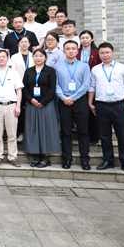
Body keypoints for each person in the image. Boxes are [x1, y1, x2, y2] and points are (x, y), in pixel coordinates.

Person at [88, 42, 124, 174]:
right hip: (101, 105)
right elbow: (92, 87)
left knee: (122, 136)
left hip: (118, 106)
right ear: (99, 54)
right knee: (105, 136)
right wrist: (90, 103)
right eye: (102, 53)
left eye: (107, 52)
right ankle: (108, 160)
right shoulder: (95, 69)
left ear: (113, 53)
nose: (105, 55)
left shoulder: (123, 68)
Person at [22, 49, 61, 168]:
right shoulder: (29, 71)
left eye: (41, 56)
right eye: (36, 56)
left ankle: (46, 157)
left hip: (46, 104)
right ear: (33, 57)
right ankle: (36, 156)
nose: (38, 58)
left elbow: (52, 89)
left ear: (45, 57)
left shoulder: (50, 71)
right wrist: (31, 99)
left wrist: (43, 102)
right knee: (33, 129)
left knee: (46, 129)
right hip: (32, 104)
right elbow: (24, 88)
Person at [56, 40, 91, 170]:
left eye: (73, 48)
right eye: (68, 49)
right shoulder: (57, 67)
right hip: (64, 101)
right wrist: (64, 97)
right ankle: (67, 159)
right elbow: (56, 85)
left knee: (83, 131)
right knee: (66, 131)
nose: (70, 51)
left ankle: (85, 160)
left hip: (80, 101)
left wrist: (73, 97)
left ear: (77, 51)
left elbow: (86, 85)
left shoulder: (84, 66)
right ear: (64, 51)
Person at [0, 50, 23, 167]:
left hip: (11, 105)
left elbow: (18, 90)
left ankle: (13, 157)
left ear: (8, 59)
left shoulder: (14, 73)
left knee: (12, 133)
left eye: (3, 57)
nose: (1, 59)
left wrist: (18, 105)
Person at [77, 30, 101, 144]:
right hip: (78, 85)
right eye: (82, 38)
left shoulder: (97, 52)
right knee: (82, 111)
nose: (85, 40)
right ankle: (82, 134)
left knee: (92, 110)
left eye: (87, 38)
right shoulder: (76, 51)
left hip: (93, 84)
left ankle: (94, 136)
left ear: (92, 39)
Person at [10, 36, 34, 142]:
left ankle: (31, 133)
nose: (24, 44)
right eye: (21, 42)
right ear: (18, 44)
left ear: (29, 44)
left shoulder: (34, 55)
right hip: (19, 87)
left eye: (26, 42)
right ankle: (21, 133)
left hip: (32, 86)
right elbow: (13, 72)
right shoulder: (14, 57)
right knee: (20, 111)